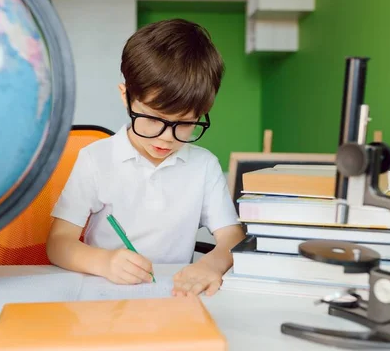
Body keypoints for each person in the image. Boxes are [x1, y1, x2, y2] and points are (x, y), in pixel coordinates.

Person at [46, 18, 245, 296]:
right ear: (126, 97)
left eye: (185, 123)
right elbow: (58, 243)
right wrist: (103, 262)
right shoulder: (95, 159)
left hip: (173, 296)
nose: (166, 137)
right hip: (106, 296)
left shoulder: (204, 166)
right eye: (153, 119)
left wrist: (213, 263)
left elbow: (232, 237)